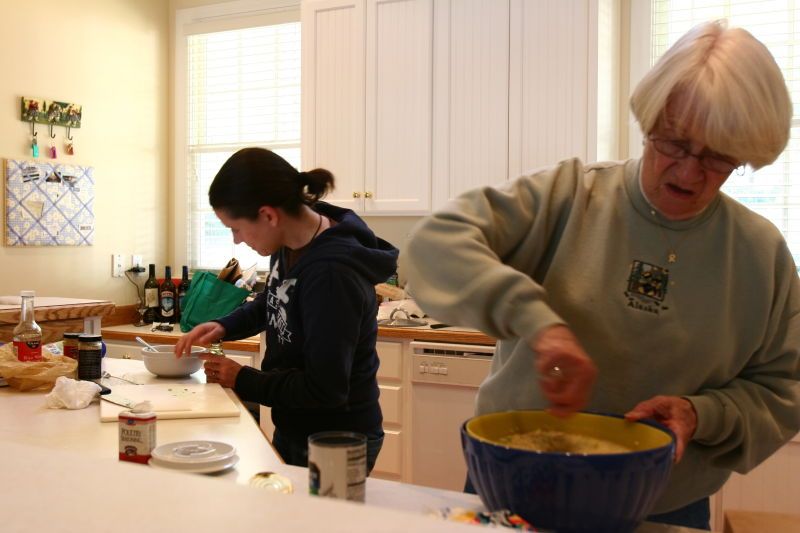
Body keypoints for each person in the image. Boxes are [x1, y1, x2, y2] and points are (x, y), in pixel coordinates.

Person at [401, 20, 800, 530]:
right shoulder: (568, 197)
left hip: (663, 501)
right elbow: (432, 246)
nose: (688, 172)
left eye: (719, 158)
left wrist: (700, 413)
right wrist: (538, 323)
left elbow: (782, 390)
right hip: (516, 485)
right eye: (673, 143)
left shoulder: (760, 254)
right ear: (649, 119)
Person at [175, 148, 399, 473]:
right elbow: (274, 300)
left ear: (268, 215)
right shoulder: (289, 242)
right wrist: (224, 326)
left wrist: (242, 378)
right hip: (298, 424)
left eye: (236, 228)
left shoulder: (332, 274)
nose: (236, 240)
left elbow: (325, 389)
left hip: (336, 439)